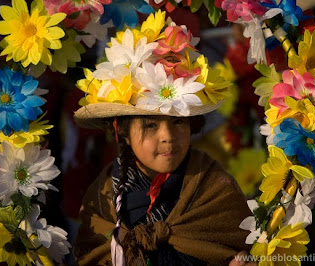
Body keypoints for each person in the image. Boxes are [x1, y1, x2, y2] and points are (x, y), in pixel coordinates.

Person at [72, 11, 256, 265]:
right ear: (122, 132)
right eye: (149, 125)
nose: (167, 137)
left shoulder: (216, 190)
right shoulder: (102, 198)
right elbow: (90, 255)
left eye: (178, 121)